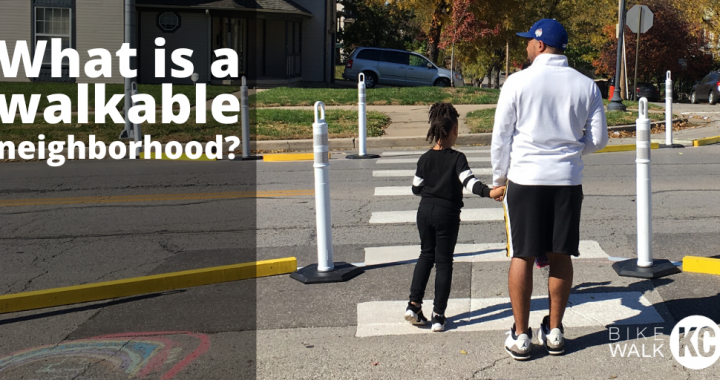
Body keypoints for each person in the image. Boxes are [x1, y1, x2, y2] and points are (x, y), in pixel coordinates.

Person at [491, 19, 608, 360]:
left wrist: (499, 179)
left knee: (522, 255)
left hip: (526, 179)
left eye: (529, 41)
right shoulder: (587, 86)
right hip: (567, 180)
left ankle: (521, 334)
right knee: (560, 254)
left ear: (540, 45)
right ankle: (555, 331)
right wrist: (571, 150)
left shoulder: (517, 82)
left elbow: (502, 137)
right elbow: (598, 139)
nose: (526, 46)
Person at [405, 103, 505, 332]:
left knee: (425, 255)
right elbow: (470, 183)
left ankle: (413, 305)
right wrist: (490, 192)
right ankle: (438, 316)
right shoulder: (457, 158)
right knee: (444, 263)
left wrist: (431, 188)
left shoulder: (424, 158)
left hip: (424, 212)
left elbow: (415, 188)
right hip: (447, 214)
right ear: (455, 130)